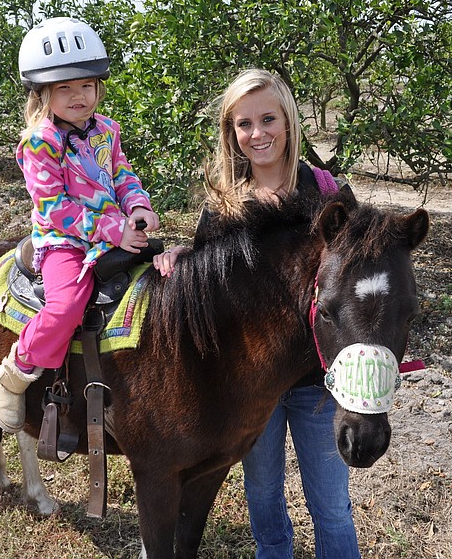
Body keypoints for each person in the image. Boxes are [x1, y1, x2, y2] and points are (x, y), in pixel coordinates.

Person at [152, 69, 359, 558]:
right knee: (263, 501)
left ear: (288, 121)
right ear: (232, 134)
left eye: (268, 118)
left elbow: (351, 285)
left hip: (317, 384)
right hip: (250, 390)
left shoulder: (329, 195)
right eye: (244, 124)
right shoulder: (225, 209)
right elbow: (208, 295)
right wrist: (184, 259)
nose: (258, 133)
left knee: (331, 506)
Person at [0, 17, 159, 434]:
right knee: (66, 306)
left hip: (114, 230)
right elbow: (53, 207)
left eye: (86, 85)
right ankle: (15, 371)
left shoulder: (107, 130)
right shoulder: (38, 142)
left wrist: (138, 206)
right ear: (43, 93)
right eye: (64, 88)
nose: (78, 96)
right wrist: (111, 229)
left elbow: (122, 175)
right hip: (64, 241)